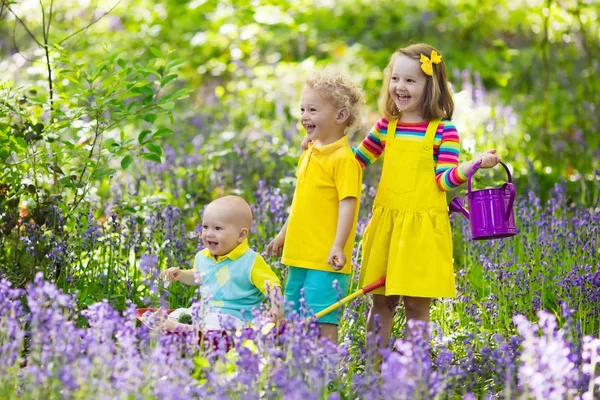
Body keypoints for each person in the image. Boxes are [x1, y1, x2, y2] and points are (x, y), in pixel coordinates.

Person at [353, 43, 501, 347]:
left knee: (417, 307)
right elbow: (355, 162)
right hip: (388, 228)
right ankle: (372, 374)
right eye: (395, 78)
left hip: (421, 233)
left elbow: (445, 180)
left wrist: (472, 166)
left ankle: (412, 377)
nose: (400, 87)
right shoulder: (385, 127)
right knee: (381, 304)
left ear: (430, 86)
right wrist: (325, 146)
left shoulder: (444, 132)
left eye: (410, 80)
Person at [266, 70, 364, 344]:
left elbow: (349, 205)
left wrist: (339, 245)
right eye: (302, 109)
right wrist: (284, 233)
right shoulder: (310, 152)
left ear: (340, 116)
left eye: (312, 110)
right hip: (299, 254)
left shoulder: (344, 159)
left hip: (325, 259)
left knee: (322, 319)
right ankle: (300, 373)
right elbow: (301, 200)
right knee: (294, 318)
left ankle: (328, 376)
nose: (304, 116)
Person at [160, 195, 283, 331]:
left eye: (217, 228)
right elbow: (198, 276)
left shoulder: (251, 261)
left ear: (241, 235)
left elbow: (272, 285)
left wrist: (277, 306)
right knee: (180, 313)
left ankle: (184, 329)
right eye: (205, 227)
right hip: (206, 311)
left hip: (237, 318)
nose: (209, 233)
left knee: (213, 323)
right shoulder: (202, 257)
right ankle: (180, 326)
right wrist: (181, 275)